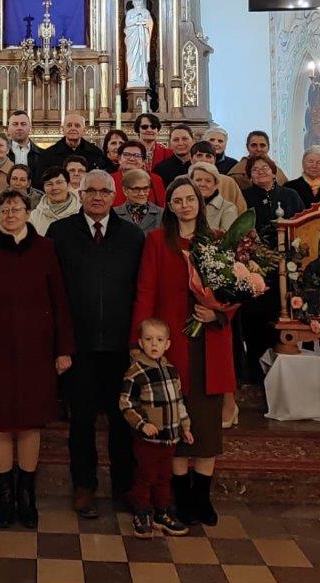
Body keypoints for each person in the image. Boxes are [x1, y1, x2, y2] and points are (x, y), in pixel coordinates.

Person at [0, 189, 74, 529]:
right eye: (5, 210)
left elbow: (60, 300)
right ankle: (5, 496)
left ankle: (27, 495)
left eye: (16, 209)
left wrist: (64, 348)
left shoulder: (46, 248)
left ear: (27, 212)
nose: (10, 215)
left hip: (37, 350)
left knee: (30, 422)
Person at [130, 176, 238, 527]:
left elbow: (236, 289)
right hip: (169, 342)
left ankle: (201, 498)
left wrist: (217, 312)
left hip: (209, 341)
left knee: (205, 426)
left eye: (190, 199)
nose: (185, 205)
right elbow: (145, 290)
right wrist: (141, 340)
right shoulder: (156, 240)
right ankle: (180, 495)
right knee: (173, 424)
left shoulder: (218, 240)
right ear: (169, 206)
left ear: (199, 202)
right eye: (177, 200)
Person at [47, 170, 144, 518]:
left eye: (104, 191)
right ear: (81, 193)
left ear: (115, 196)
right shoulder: (60, 233)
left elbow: (140, 288)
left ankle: (124, 487)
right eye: (91, 191)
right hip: (79, 344)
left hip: (121, 346)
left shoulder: (131, 235)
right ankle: (84, 487)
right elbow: (53, 291)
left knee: (122, 420)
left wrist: (137, 340)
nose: (98, 197)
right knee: (82, 421)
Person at [118, 318, 193, 538]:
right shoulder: (136, 372)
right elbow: (126, 403)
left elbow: (178, 402)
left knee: (164, 476)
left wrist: (185, 426)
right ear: (141, 343)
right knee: (146, 476)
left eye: (159, 340)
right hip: (148, 439)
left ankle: (162, 512)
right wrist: (143, 424)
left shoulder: (171, 371)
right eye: (149, 339)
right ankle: (142, 512)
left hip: (169, 437)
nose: (154, 344)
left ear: (167, 344)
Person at [239, 155, 303, 383]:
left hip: (287, 266)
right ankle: (255, 370)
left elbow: (301, 225)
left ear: (274, 171)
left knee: (283, 315)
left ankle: (283, 373)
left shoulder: (290, 195)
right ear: (249, 175)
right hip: (256, 266)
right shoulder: (245, 196)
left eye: (265, 168)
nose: (261, 172)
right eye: (255, 169)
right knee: (255, 317)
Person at [38, 112, 108, 177]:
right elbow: (42, 179)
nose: (73, 128)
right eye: (69, 125)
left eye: (77, 126)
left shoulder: (95, 153)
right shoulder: (49, 154)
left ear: (84, 131)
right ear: (63, 130)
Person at [186, 141, 247, 214]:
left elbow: (242, 211)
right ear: (191, 159)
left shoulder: (228, 182)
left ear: (214, 160)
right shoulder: (182, 180)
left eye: (208, 156)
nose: (204, 159)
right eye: (199, 155)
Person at [30, 165, 81, 234]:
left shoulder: (81, 212)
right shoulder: (34, 217)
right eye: (49, 184)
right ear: (44, 188)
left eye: (59, 182)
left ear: (68, 184)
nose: (54, 187)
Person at [114, 140, 167, 206]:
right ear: (119, 159)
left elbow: (162, 206)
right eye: (127, 154)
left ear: (143, 161)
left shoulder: (155, 180)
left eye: (137, 155)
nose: (132, 159)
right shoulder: (110, 180)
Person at [190, 163, 238, 234]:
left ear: (216, 184)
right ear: (191, 183)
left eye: (208, 181)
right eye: (198, 180)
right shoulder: (185, 205)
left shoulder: (228, 208)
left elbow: (228, 238)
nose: (202, 184)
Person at [115, 167, 164, 232]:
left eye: (145, 188)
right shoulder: (113, 214)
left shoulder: (162, 214)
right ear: (125, 190)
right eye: (136, 189)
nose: (142, 193)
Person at [7, 110, 43, 178]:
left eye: (23, 124)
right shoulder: (1, 153)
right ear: (8, 128)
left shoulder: (43, 155)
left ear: (30, 128)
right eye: (15, 124)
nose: (19, 128)